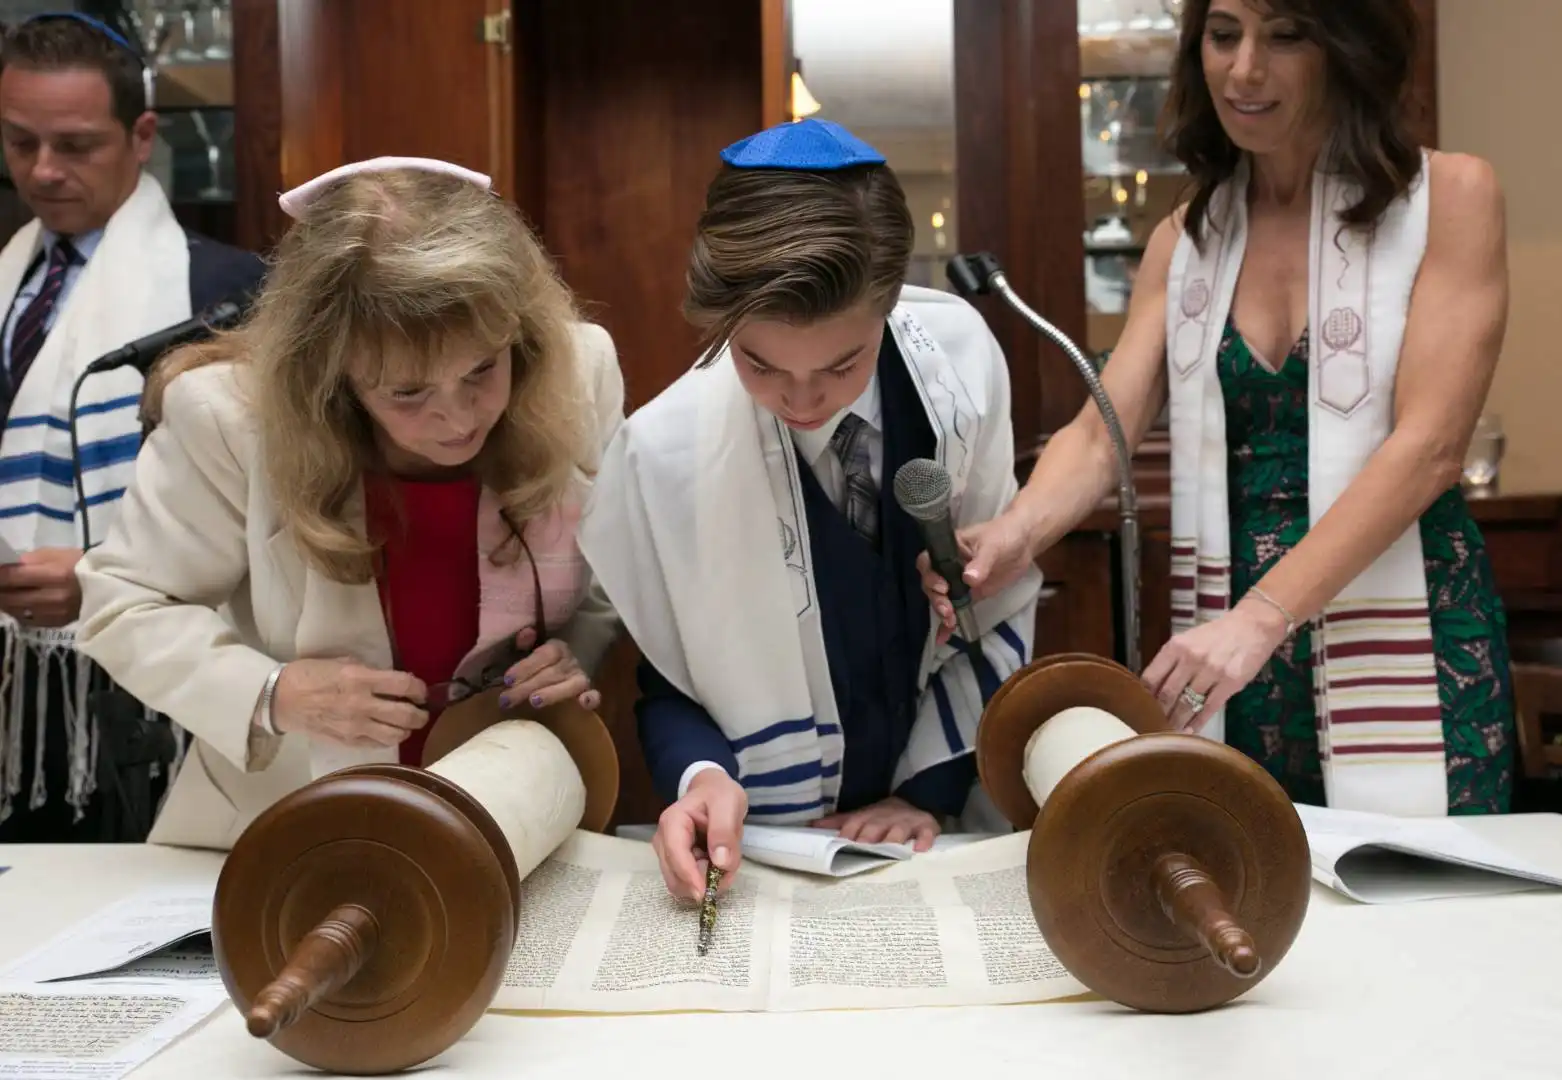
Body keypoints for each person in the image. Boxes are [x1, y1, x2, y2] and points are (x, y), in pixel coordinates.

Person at [924, 0, 1514, 818]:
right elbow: (1103, 431)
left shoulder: (1449, 198)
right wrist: (1014, 536)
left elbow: (1431, 447)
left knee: (1426, 911)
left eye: (1285, 36)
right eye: (1225, 33)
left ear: (1346, 47)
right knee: (1262, 895)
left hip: (1405, 632)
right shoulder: (1185, 238)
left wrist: (1264, 616)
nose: (1244, 70)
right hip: (1229, 647)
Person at [73, 156, 624, 850]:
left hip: (516, 821)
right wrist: (274, 693)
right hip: (286, 826)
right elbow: (120, 603)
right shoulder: (228, 419)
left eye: (482, 369)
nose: (457, 418)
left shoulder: (581, 374)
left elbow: (614, 571)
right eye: (407, 392)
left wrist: (572, 652)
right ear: (331, 377)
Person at [578, 118, 1042, 901]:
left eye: (842, 364)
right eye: (758, 363)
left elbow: (994, 609)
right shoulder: (662, 453)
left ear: (891, 304)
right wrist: (700, 779)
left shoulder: (958, 373)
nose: (801, 398)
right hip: (767, 850)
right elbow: (671, 685)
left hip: (937, 826)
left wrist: (922, 796)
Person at [0, 12, 265, 841]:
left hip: (149, 704)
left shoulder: (225, 291)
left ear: (142, 134)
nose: (42, 171)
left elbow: (271, 515)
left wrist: (111, 573)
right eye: (17, 142)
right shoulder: (5, 273)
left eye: (75, 146)